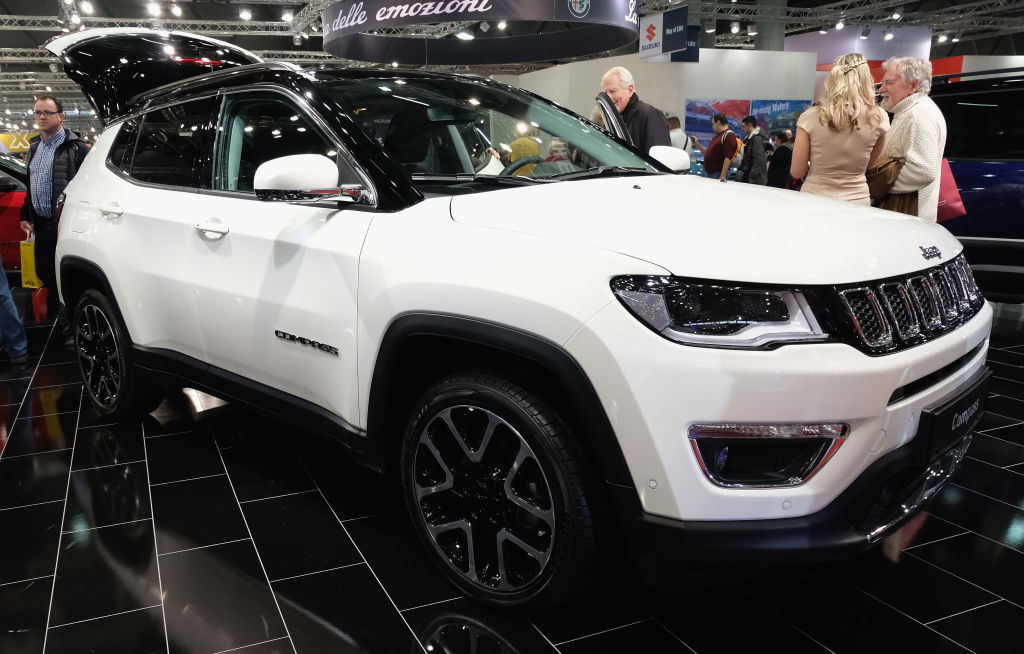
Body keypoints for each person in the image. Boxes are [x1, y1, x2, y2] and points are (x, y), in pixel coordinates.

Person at [20, 96, 89, 345]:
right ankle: (68, 311)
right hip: (41, 222)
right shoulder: (35, 146)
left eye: (47, 112)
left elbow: (87, 186)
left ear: (61, 116)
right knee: (44, 271)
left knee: (68, 275)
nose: (41, 117)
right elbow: (31, 184)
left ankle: (74, 322)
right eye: (38, 112)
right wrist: (26, 214)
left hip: (64, 223)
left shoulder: (77, 148)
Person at [791, 53, 889, 204]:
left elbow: (797, 171)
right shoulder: (880, 118)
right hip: (857, 201)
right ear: (866, 79)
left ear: (833, 79)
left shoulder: (809, 117)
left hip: (815, 200)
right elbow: (867, 165)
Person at [876, 56, 947, 221]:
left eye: (889, 83)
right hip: (906, 215)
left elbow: (923, 172)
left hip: (908, 215)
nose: (881, 89)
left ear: (913, 85)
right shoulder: (911, 111)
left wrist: (876, 181)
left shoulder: (918, 115)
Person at [600, 66, 671, 153]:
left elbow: (661, 159)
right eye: (606, 93)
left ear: (630, 90)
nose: (608, 97)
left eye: (613, 91)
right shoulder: (611, 120)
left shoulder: (650, 115)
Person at [690, 113, 739, 182]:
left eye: (713, 124)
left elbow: (727, 158)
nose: (712, 126)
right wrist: (697, 144)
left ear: (718, 122)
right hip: (711, 174)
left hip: (717, 174)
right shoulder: (718, 136)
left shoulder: (729, 135)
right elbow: (707, 152)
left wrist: (722, 176)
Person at [737, 116, 768, 184]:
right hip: (748, 175)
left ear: (750, 125)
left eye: (744, 126)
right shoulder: (748, 139)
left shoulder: (757, 139)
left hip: (755, 179)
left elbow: (758, 159)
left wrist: (753, 177)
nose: (742, 129)